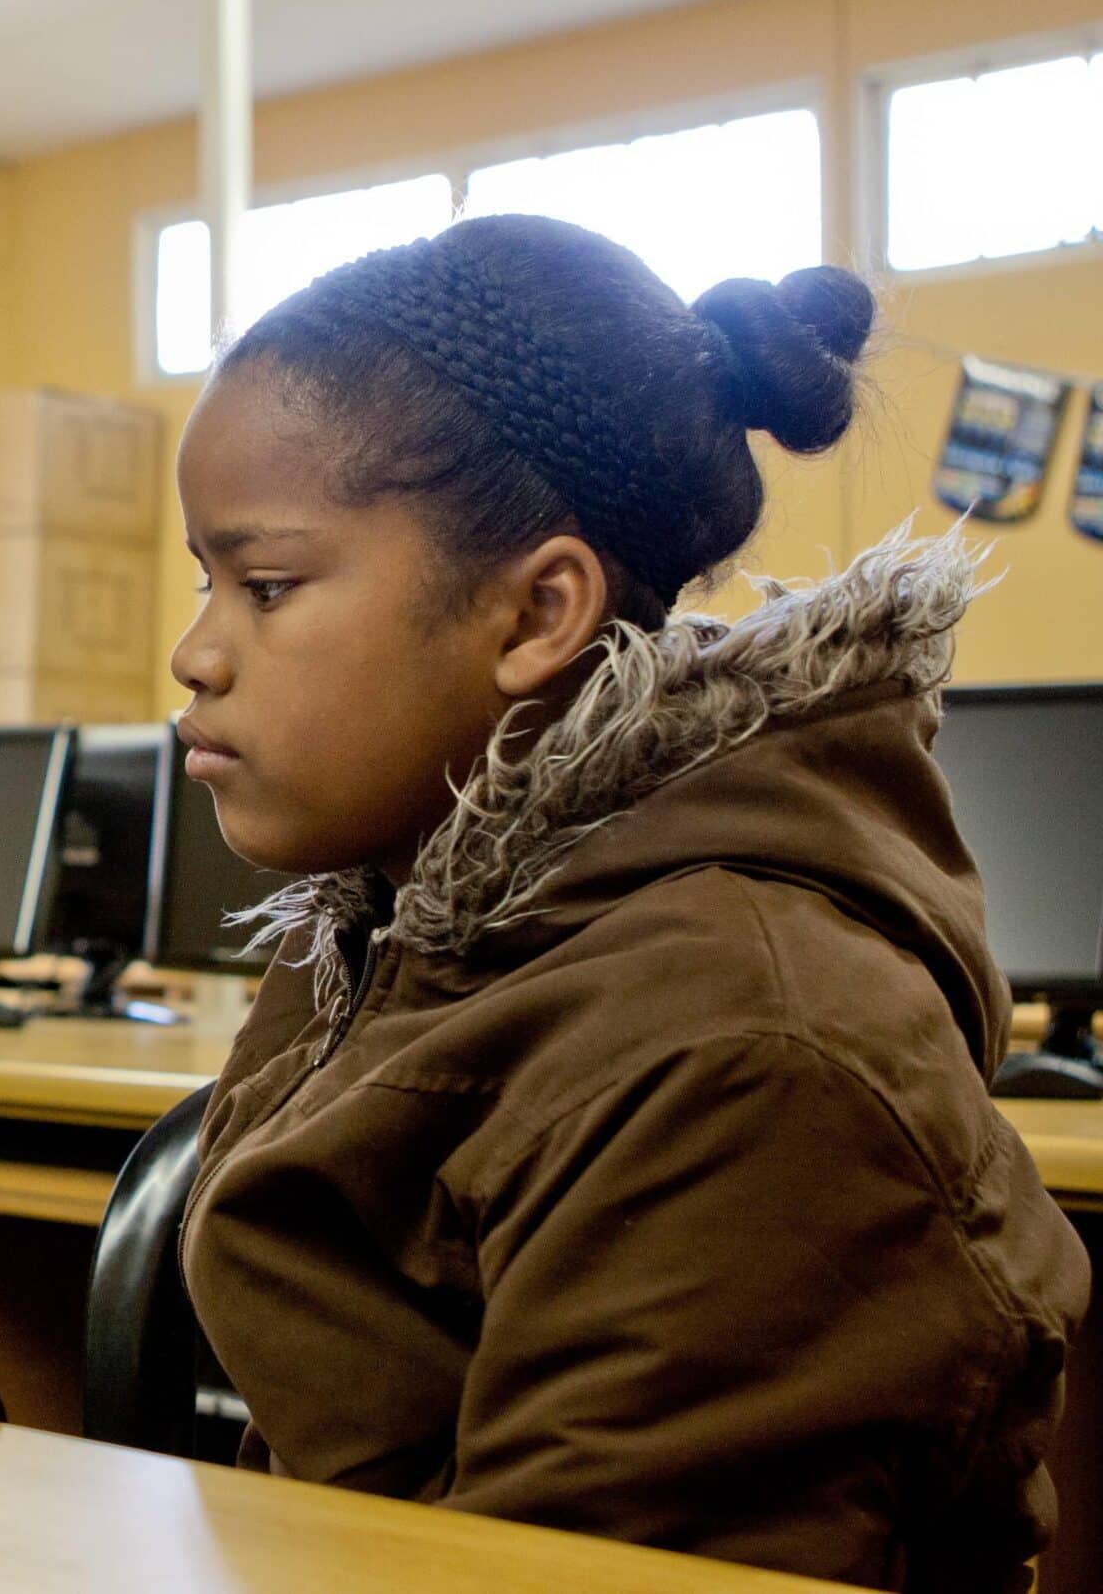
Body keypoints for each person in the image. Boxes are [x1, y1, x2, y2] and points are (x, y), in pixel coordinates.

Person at [170, 213, 1089, 1588]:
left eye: (268, 584)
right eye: (207, 582)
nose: (194, 651)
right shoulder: (397, 929)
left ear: (539, 614)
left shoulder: (751, 1052)